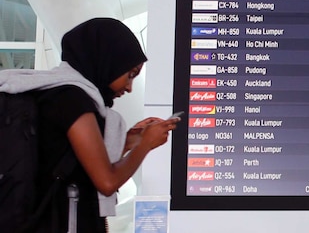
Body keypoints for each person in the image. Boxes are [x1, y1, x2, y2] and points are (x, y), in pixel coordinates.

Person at [0, 17, 178, 232]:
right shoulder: (73, 100)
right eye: (130, 75)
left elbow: (74, 162)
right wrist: (144, 146)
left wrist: (132, 139)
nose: (129, 87)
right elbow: (106, 181)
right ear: (107, 60)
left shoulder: (53, 92)